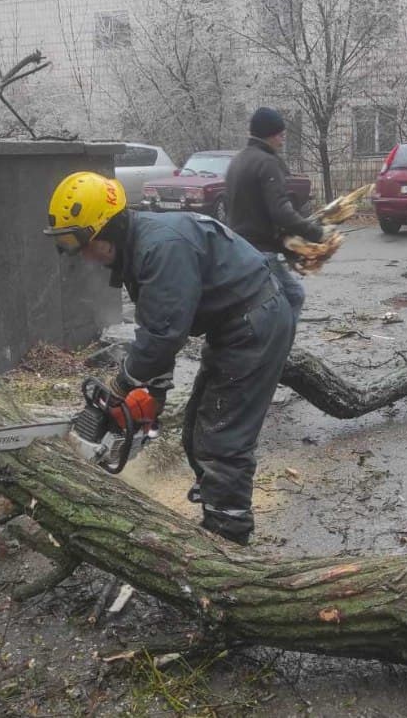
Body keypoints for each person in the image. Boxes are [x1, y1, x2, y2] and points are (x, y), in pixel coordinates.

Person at [44, 171, 294, 546]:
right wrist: (155, 390)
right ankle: (215, 501)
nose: (82, 254)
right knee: (196, 427)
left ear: (104, 229)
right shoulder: (135, 249)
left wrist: (121, 386)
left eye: (80, 242)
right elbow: (158, 322)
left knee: (222, 438)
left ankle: (229, 535)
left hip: (253, 323)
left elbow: (164, 334)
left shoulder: (159, 248)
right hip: (233, 324)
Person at [226, 106, 324, 322]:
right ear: (269, 135)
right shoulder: (267, 162)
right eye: (280, 136)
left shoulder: (237, 160)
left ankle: (260, 345)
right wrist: (315, 233)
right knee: (293, 296)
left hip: (237, 248)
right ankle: (276, 349)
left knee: (256, 304)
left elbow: (251, 209)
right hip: (259, 252)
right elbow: (281, 212)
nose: (282, 141)